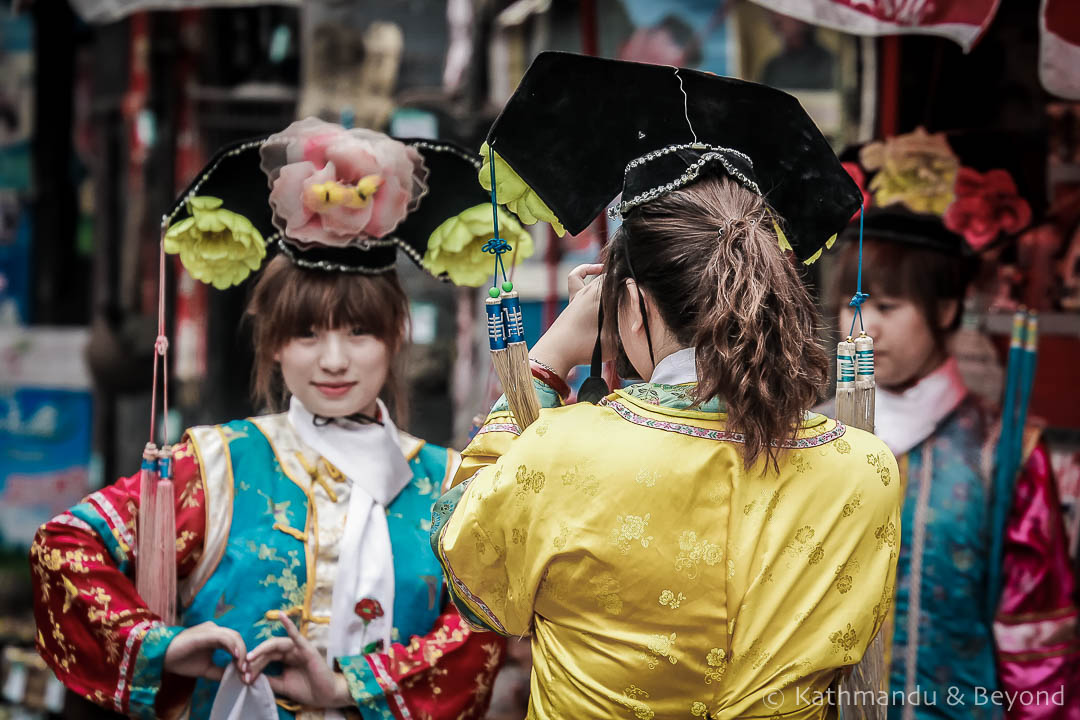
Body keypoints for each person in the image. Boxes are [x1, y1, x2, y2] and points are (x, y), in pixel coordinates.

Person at [431, 51, 902, 719]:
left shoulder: (563, 453)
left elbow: (470, 574)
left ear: (634, 304)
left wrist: (554, 353)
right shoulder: (866, 467)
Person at [30, 118, 526, 719]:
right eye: (307, 335)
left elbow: (483, 626)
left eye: (360, 332)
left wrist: (347, 690)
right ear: (272, 344)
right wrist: (165, 646)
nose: (335, 361)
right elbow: (65, 545)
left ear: (398, 336)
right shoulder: (212, 468)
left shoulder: (450, 484)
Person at [830, 128, 1080, 719]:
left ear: (944, 309)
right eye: (853, 306)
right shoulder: (810, 436)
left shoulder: (1007, 452)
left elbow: (1036, 644)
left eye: (888, 308)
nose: (864, 331)